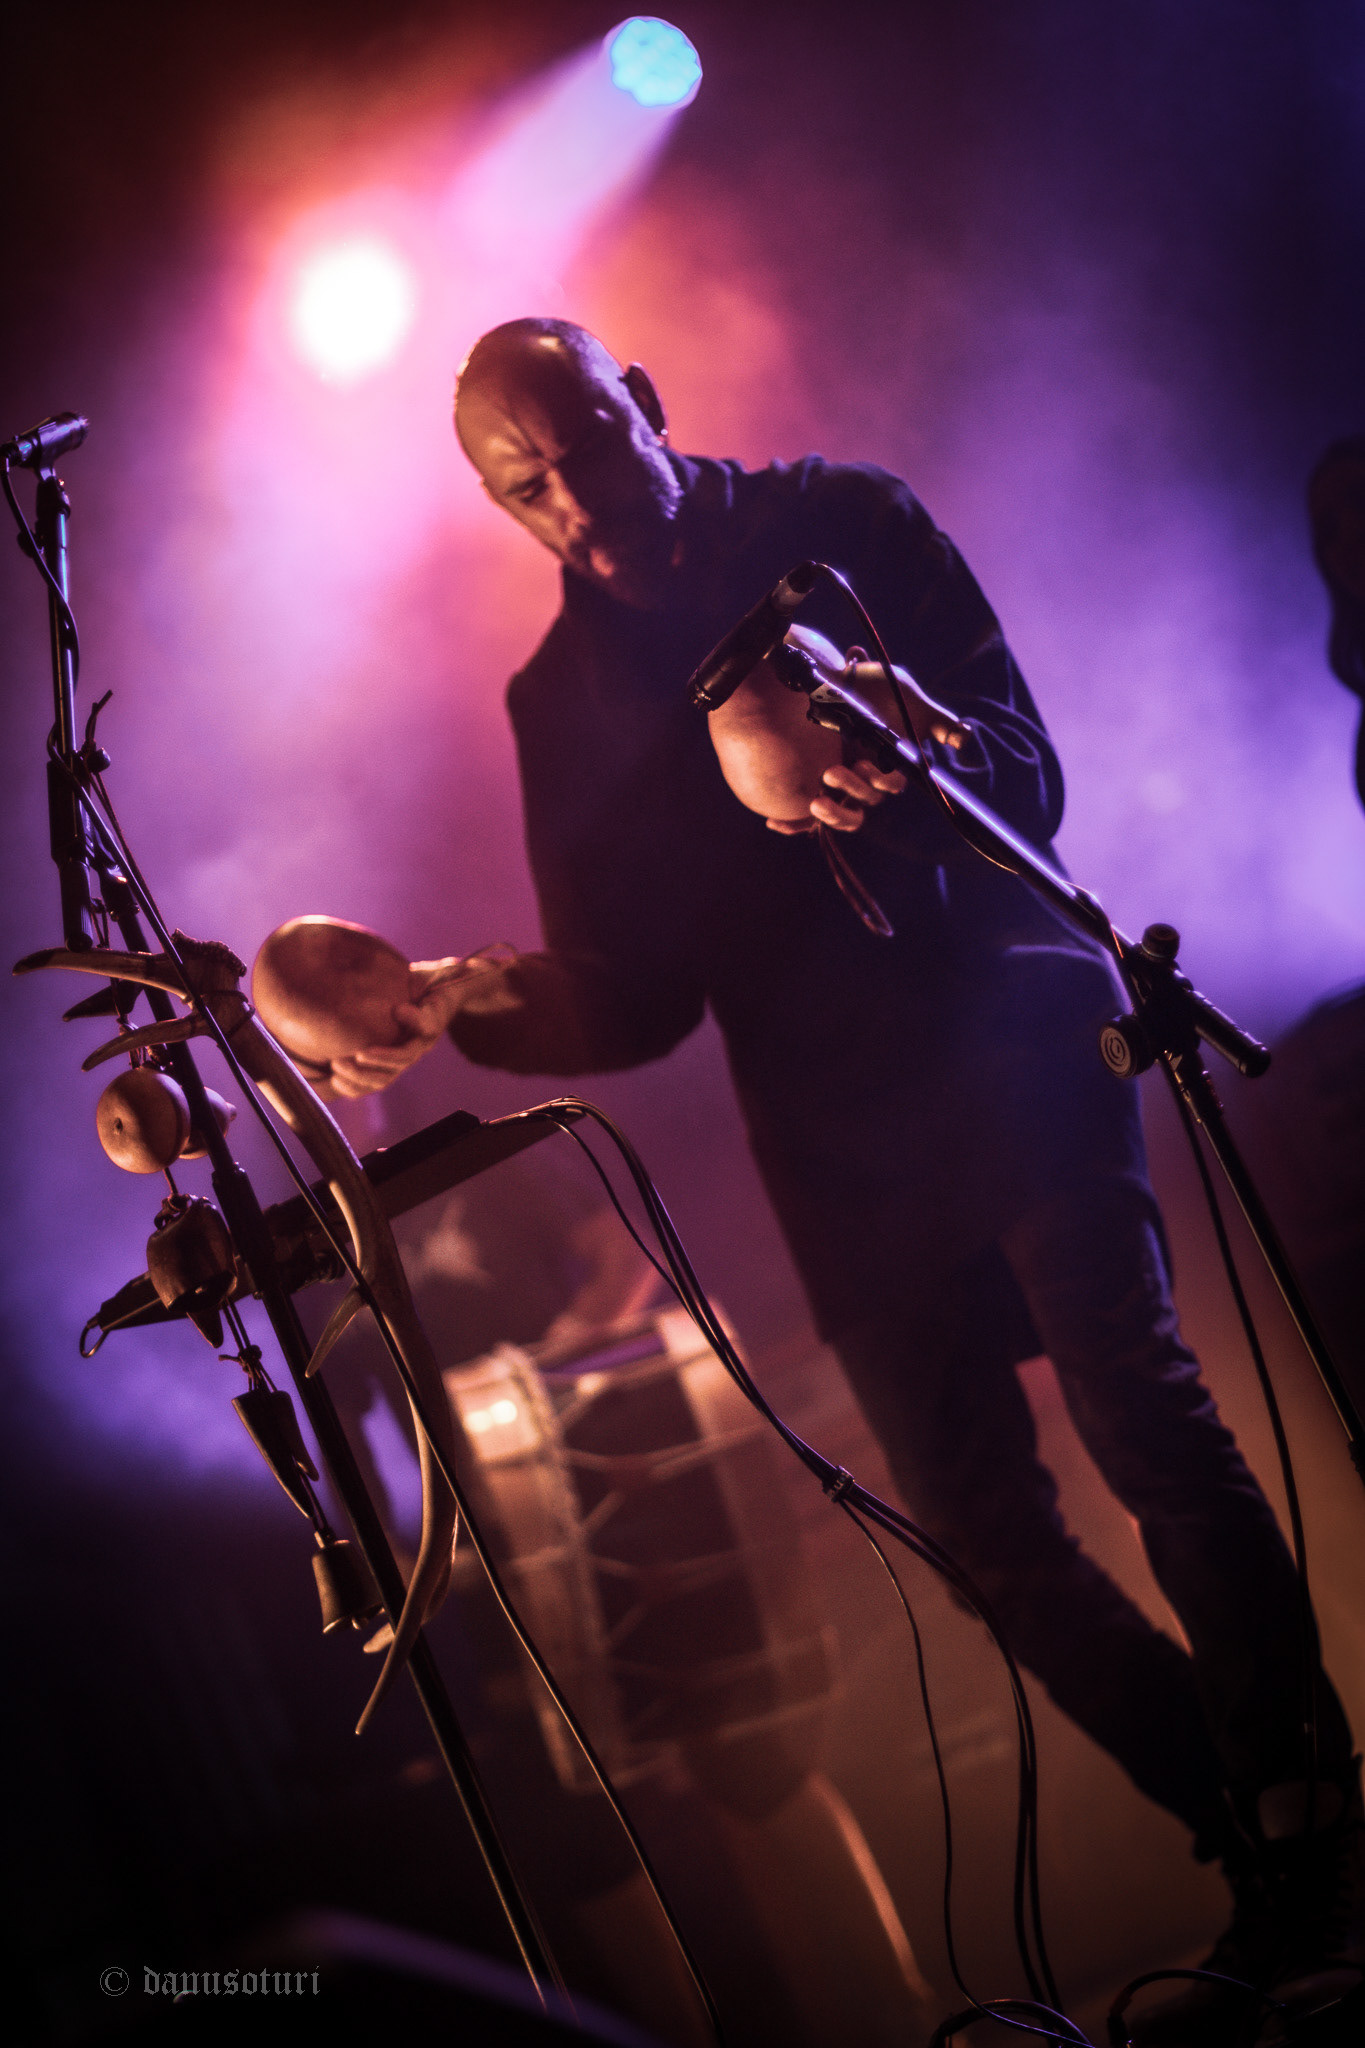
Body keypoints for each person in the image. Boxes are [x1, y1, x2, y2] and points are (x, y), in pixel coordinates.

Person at [326, 316, 1362, 2020]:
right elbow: (635, 998)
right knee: (981, 1536)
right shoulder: (555, 702)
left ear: (644, 401)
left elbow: (1030, 777)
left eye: (586, 450)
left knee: (1142, 1416)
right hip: (835, 1138)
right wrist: (472, 1005)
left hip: (1013, 1030)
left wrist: (904, 762)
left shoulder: (843, 521)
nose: (573, 505)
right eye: (525, 489)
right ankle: (1258, 1832)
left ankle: (1305, 1828)